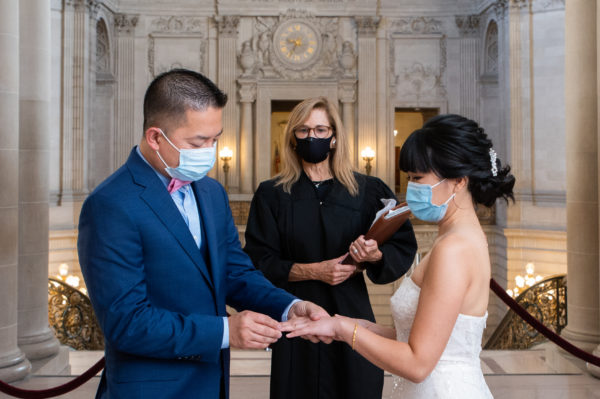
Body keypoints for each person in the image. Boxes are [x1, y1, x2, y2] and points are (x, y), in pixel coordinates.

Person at [77, 69, 328, 399]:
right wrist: (225, 331)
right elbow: (128, 323)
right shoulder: (109, 204)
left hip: (213, 383)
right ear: (155, 138)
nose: (209, 152)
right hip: (150, 389)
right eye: (198, 142)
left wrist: (288, 306)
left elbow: (235, 273)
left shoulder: (211, 192)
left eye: (215, 139)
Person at [283, 114, 516, 398]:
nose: (410, 188)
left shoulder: (453, 250)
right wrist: (338, 323)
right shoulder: (461, 238)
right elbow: (413, 336)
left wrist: (343, 328)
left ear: (458, 181)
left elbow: (418, 363)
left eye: (418, 178)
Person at [243, 97, 418, 399]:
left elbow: (402, 246)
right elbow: (258, 261)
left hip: (352, 316)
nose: (312, 137)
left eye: (321, 130)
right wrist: (314, 271)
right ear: (293, 138)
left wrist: (373, 256)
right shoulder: (271, 194)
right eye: (303, 130)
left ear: (334, 137)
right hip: (296, 319)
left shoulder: (367, 190)